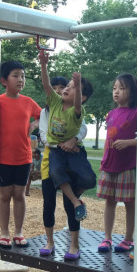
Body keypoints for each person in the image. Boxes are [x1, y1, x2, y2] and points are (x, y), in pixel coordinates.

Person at [0, 60, 41, 248]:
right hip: (2, 158)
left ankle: (18, 232)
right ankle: (4, 233)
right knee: (4, 195)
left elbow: (43, 115)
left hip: (23, 157)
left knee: (19, 194)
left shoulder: (28, 102)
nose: (20, 79)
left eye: (23, 76)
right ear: (4, 80)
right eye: (15, 75)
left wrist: (34, 124)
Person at [39, 50, 97, 260]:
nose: (64, 89)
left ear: (80, 96)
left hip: (73, 153)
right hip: (54, 153)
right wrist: (43, 65)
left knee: (89, 180)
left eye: (70, 87)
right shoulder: (52, 105)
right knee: (50, 199)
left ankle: (74, 242)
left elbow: (81, 116)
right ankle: (50, 241)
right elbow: (46, 85)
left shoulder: (76, 112)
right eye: (66, 86)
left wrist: (78, 84)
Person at [96, 73, 137, 255]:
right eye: (115, 88)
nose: (117, 92)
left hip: (127, 165)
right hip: (109, 163)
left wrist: (128, 143)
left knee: (130, 203)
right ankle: (107, 237)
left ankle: (128, 238)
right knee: (109, 201)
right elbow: (109, 139)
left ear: (132, 91)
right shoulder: (112, 113)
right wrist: (104, 159)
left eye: (122, 88)